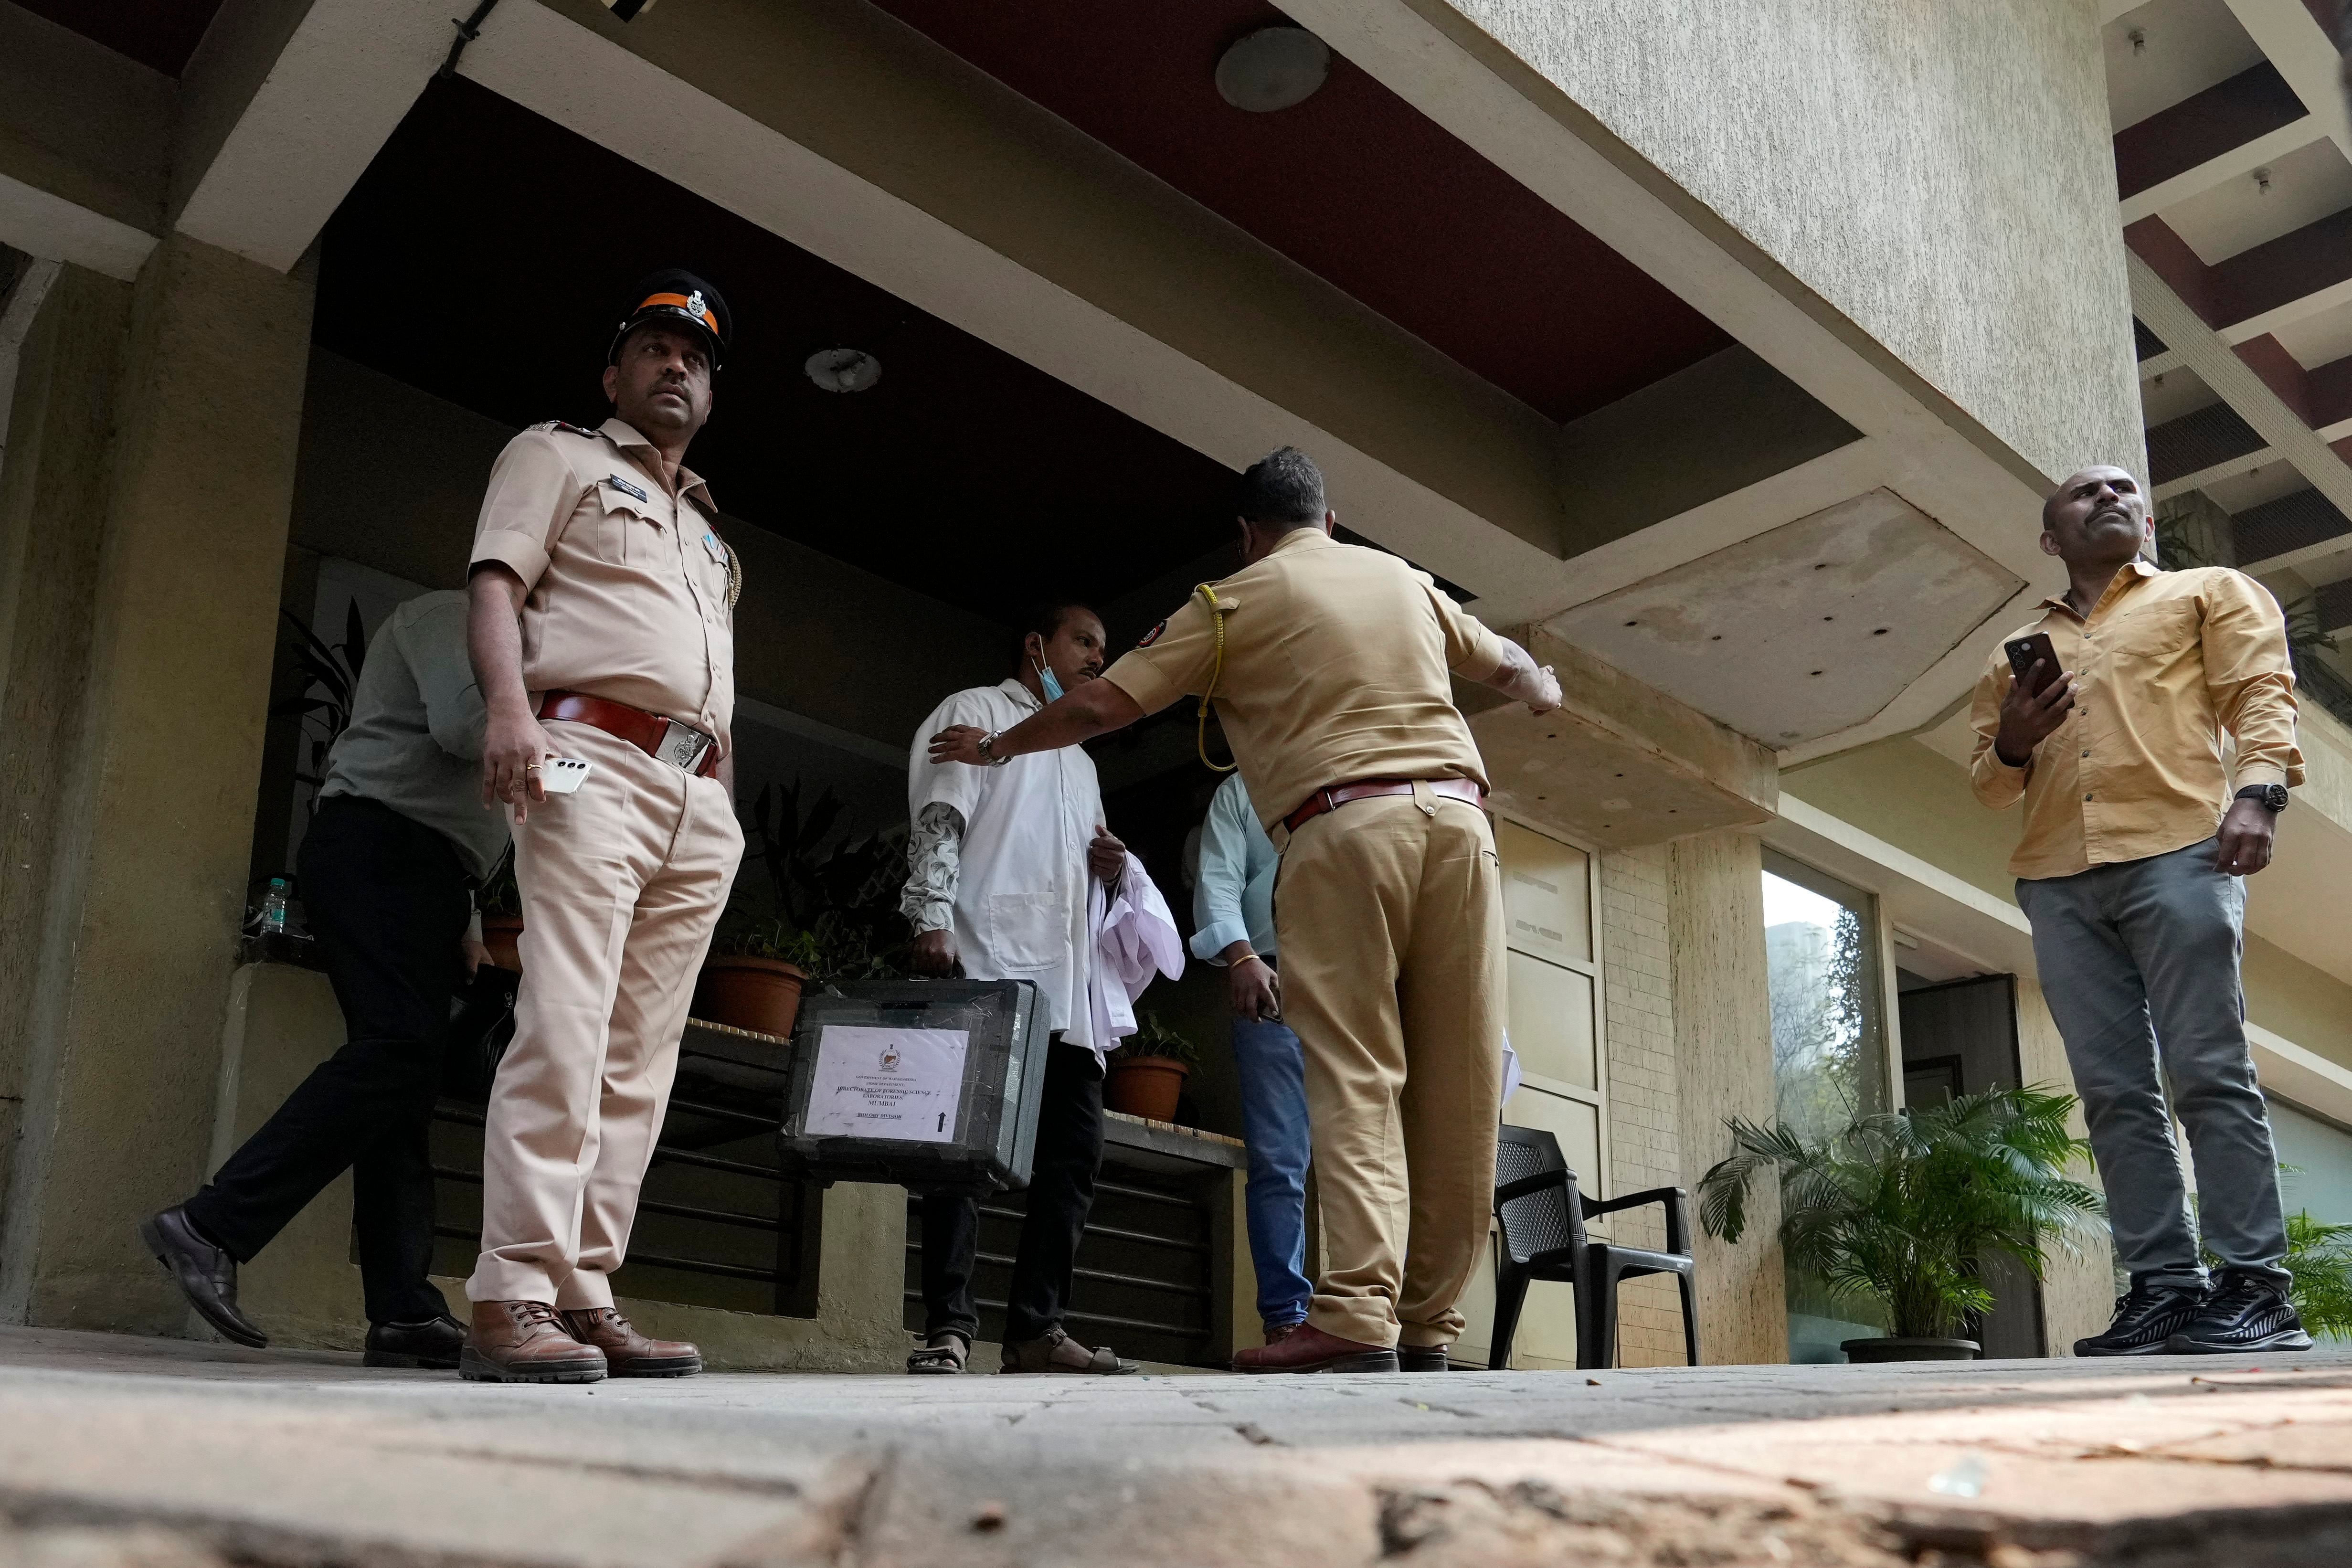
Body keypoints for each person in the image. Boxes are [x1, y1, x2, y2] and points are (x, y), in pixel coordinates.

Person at [931, 448, 1562, 1373]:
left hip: (1348, 828)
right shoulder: (1405, 582)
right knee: (1462, 1082)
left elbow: (1103, 703)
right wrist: (1543, 686)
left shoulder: (1234, 599)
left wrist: (997, 746)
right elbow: (1508, 664)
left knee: (1355, 1074)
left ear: (1249, 534)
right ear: (1331, 523)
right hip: (1465, 828)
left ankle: (1353, 1312)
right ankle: (1428, 1322)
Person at [458, 271, 746, 1383]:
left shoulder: (712, 538)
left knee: (640, 1057)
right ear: (615, 372)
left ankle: (584, 1290)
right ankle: (512, 1288)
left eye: (699, 358)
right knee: (568, 1016)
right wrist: (509, 713)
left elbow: (712, 683)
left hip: (695, 796)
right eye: (658, 348)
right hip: (583, 753)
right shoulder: (557, 455)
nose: (680, 366)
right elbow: (494, 584)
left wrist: (721, 800)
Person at [1971, 464, 2310, 1356]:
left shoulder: (2207, 592)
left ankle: (2258, 1284)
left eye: (2123, 488)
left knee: (2207, 1067)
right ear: (2051, 538)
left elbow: (2261, 695)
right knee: (2115, 1093)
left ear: (2147, 517)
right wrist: (2014, 737)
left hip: (2179, 853)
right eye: (2084, 493)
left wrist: (2258, 794)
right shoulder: (2011, 648)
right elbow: (1988, 782)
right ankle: (2162, 1284)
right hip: (2056, 876)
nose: (2109, 496)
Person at [141, 591, 509, 1368]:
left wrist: (468, 911)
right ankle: (211, 1226)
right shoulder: (457, 617)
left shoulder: (520, 656)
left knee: (402, 1091)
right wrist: (546, 692)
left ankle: (404, 1311)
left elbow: (504, 787)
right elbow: (467, 728)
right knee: (402, 1048)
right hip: (378, 846)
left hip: (433, 874)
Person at [900, 601, 1183, 1376]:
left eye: (1102, 646)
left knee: (1073, 1156)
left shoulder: (1082, 760)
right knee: (964, 1156)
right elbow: (941, 814)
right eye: (1084, 641)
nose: (1098, 657)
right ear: (1038, 645)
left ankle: (1035, 1329)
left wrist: (1114, 869)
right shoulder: (976, 712)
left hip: (1068, 984)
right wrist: (930, 915)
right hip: (988, 957)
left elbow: (1080, 864)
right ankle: (949, 1326)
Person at [1189, 771, 1313, 1346]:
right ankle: (1287, 1315)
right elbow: (1217, 877)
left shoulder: (1355, 765)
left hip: (1360, 983)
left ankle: (1374, 1313)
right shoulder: (1241, 789)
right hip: (1272, 979)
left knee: (1369, 1155)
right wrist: (1240, 956)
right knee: (1280, 1161)